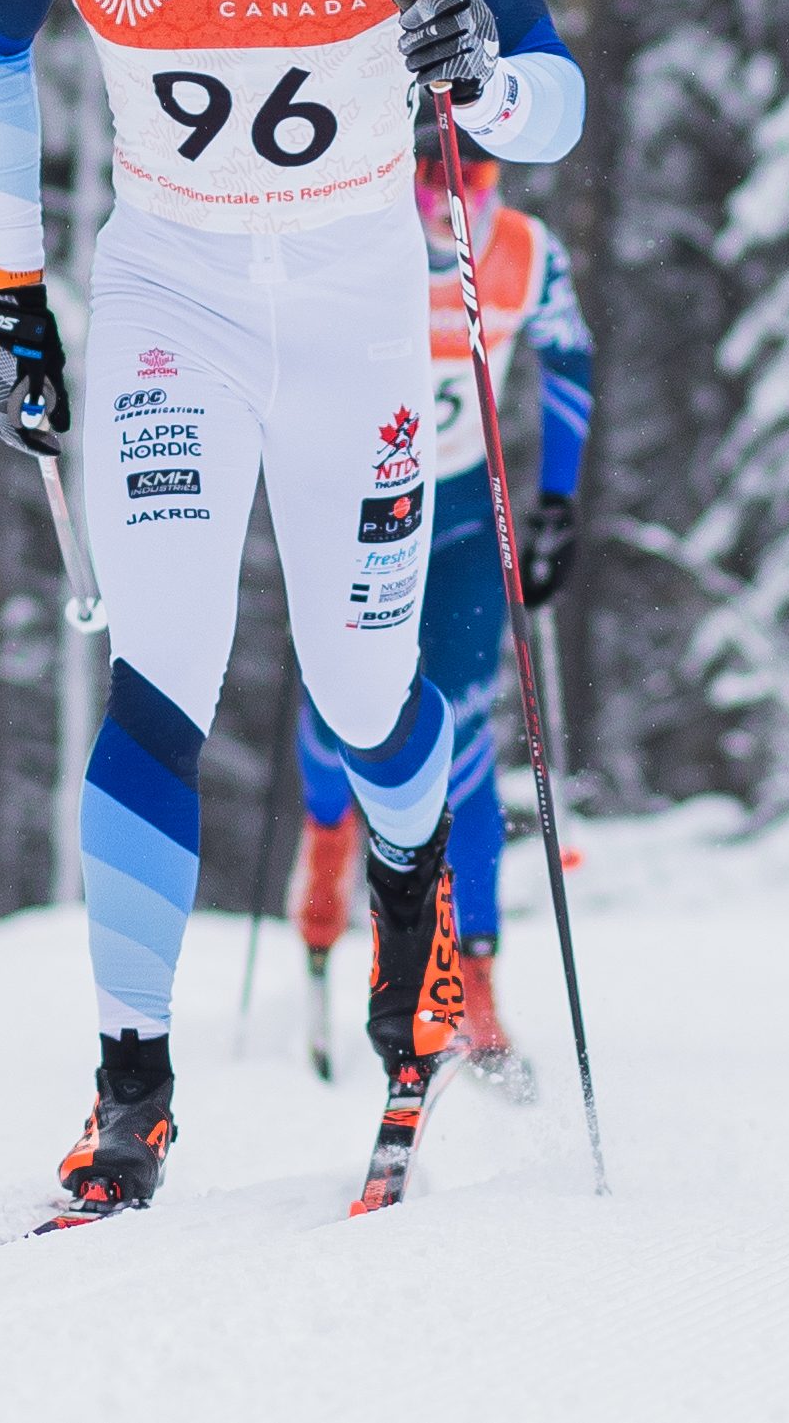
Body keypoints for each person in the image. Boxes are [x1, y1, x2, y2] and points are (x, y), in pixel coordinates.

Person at [0, 0, 582, 1216]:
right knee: (159, 671)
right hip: (176, 293)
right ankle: (129, 1091)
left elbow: (555, 93)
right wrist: (12, 285)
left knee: (369, 698)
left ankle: (405, 918)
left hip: (364, 303)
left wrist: (484, 77)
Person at [289, 133, 593, 1091]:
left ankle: (473, 978)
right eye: (429, 171)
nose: (449, 194)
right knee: (344, 716)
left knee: (461, 722)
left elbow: (571, 359)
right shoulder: (350, 238)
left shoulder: (525, 254)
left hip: (463, 514)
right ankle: (327, 854)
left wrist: (558, 501)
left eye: (471, 174)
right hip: (360, 509)